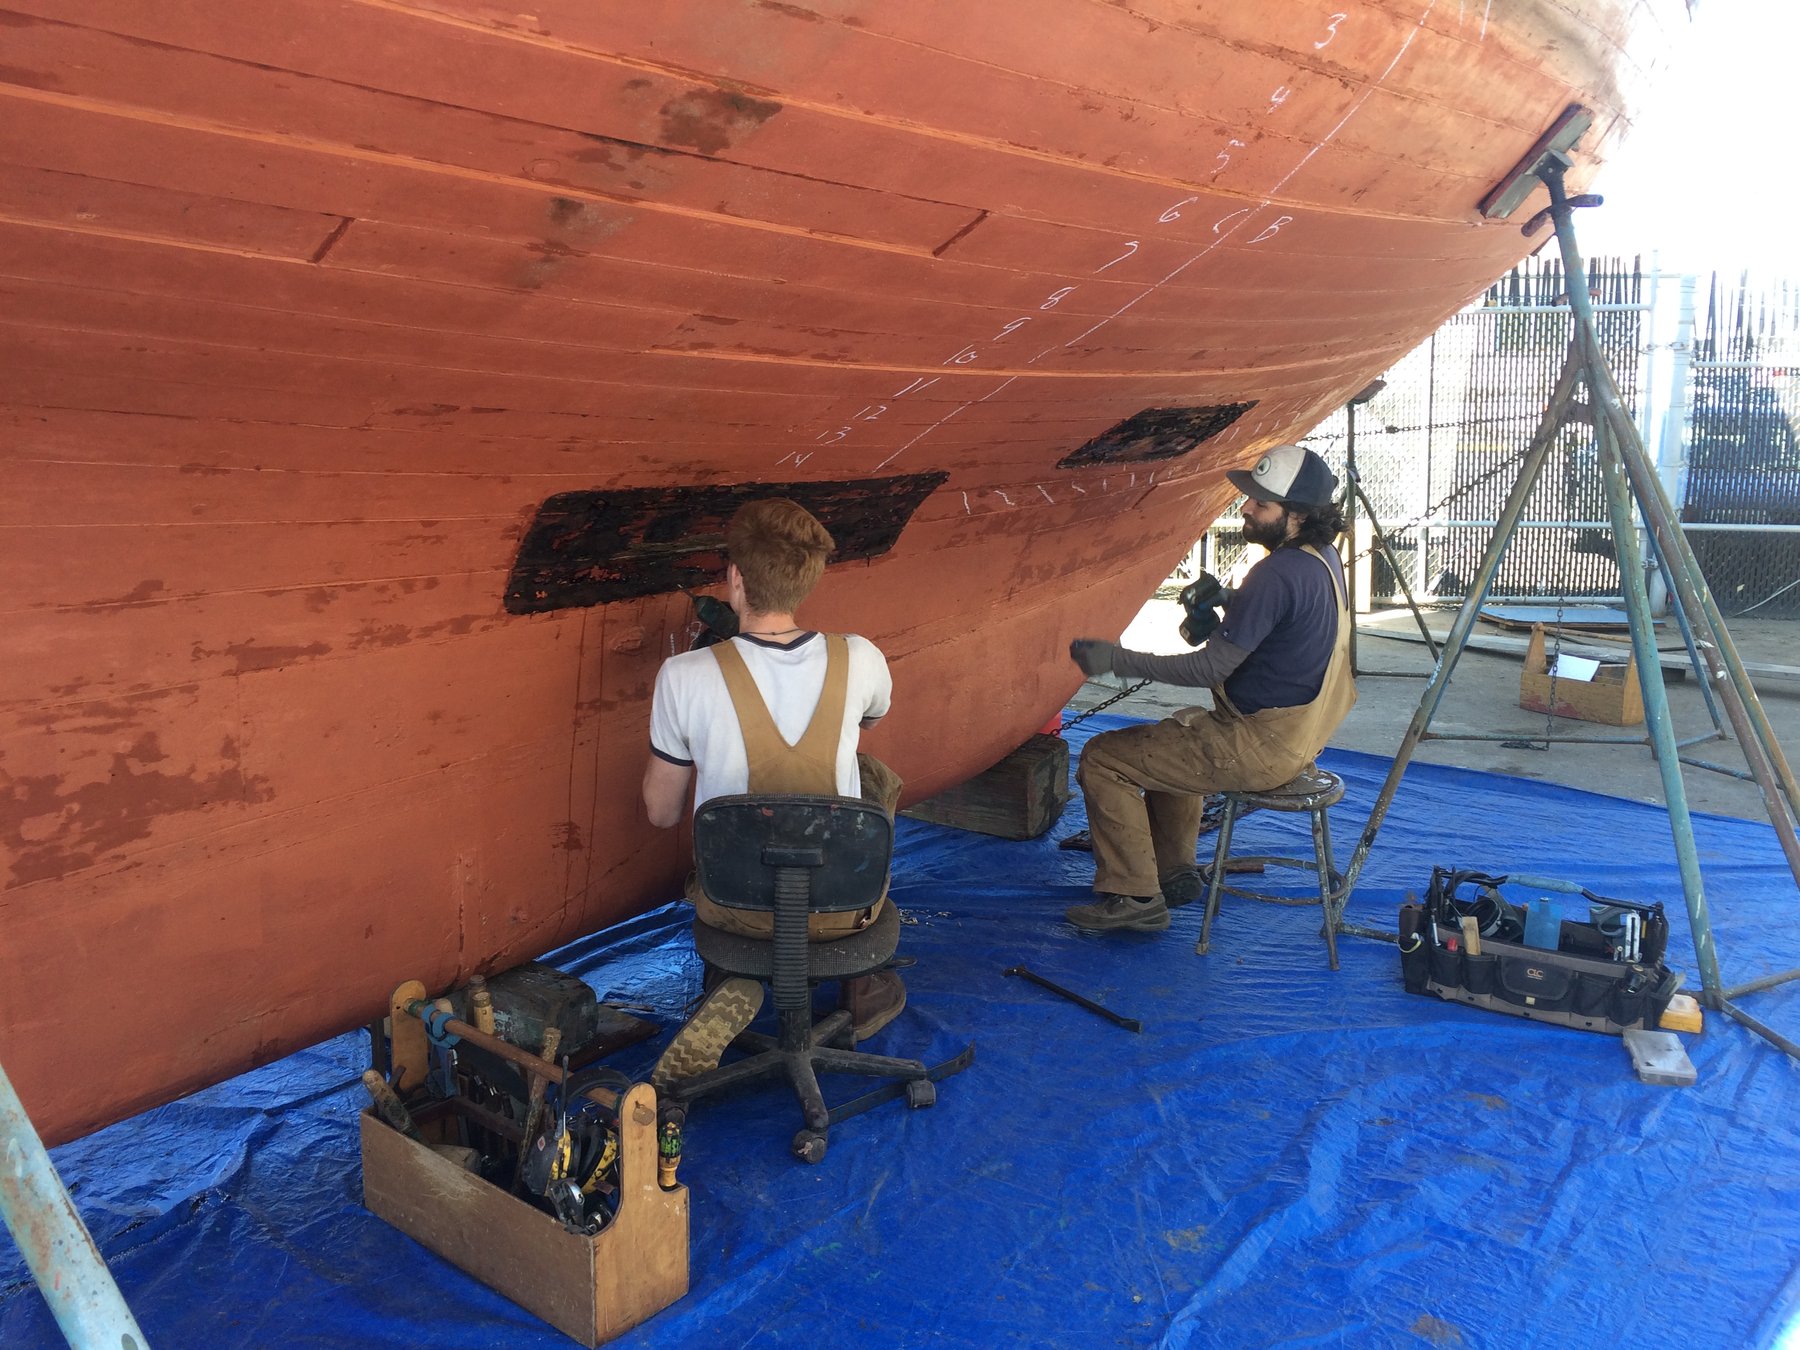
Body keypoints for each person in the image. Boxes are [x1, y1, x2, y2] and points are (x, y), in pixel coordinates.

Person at [641, 499, 907, 1087]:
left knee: (731, 836)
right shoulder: (861, 656)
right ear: (809, 580)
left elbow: (660, 814)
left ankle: (730, 984)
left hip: (733, 910)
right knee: (871, 780)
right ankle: (863, 991)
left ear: (735, 579)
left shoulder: (682, 676)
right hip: (846, 910)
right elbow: (871, 721)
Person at [1063, 444, 1357, 933]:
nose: (1245, 508)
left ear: (1297, 515)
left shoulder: (1276, 572)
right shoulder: (1320, 559)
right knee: (1178, 729)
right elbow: (1285, 618)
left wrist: (1115, 660)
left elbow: (1208, 668)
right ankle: (1174, 869)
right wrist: (1229, 600)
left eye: (1261, 504)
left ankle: (1134, 898)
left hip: (1258, 746)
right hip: (1301, 738)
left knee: (1102, 757)